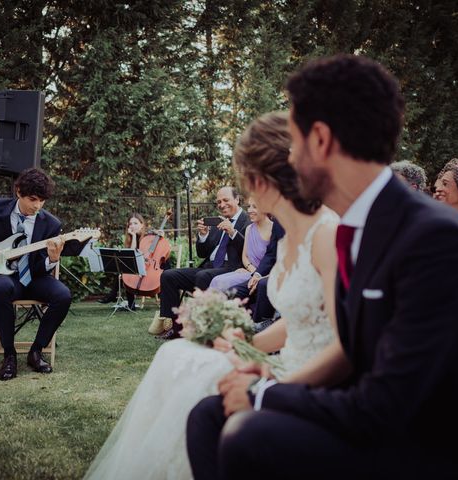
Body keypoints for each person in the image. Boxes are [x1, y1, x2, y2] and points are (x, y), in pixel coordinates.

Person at [187, 54, 458, 480]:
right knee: (208, 416)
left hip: (430, 446)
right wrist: (272, 372)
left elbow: (385, 404)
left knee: (249, 433)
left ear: (321, 139)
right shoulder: (364, 226)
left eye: (294, 143)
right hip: (377, 419)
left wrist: (266, 395)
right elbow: (357, 349)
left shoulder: (432, 239)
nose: (290, 160)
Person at [84, 111, 339, 480]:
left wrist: (267, 376)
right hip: (281, 360)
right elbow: (297, 321)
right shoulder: (290, 235)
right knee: (178, 354)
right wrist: (246, 339)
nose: (248, 193)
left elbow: (343, 337)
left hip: (310, 378)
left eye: (250, 180)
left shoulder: (328, 234)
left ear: (268, 177)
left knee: (191, 374)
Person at [0, 168, 73, 381]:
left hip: (35, 277)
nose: (37, 206)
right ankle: (9, 355)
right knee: (1, 287)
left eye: (42, 201)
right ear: (18, 191)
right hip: (4, 275)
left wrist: (52, 259)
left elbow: (41, 266)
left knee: (63, 295)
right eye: (33, 199)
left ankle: (36, 351)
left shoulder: (51, 224)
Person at [151, 187, 250, 340]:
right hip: (209, 267)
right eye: (218, 202)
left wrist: (232, 232)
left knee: (203, 276)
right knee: (168, 275)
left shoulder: (247, 220)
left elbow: (249, 248)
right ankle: (175, 329)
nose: (221, 204)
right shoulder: (218, 222)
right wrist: (203, 236)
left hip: (232, 269)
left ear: (237, 199)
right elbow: (202, 253)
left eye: (225, 200)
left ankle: (201, 327)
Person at [208, 197, 272, 291]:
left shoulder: (275, 230)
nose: (250, 210)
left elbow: (275, 260)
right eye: (249, 206)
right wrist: (251, 270)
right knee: (216, 280)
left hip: (265, 275)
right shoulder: (249, 229)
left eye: (255, 207)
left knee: (221, 283)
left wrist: (257, 274)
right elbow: (245, 257)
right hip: (250, 271)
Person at [231, 220, 285, 327]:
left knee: (263, 284)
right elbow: (271, 254)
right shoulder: (278, 222)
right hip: (270, 271)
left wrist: (269, 275)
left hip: (292, 271)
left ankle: (260, 325)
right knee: (233, 292)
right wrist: (257, 274)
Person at [97, 213, 147, 310]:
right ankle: (127, 303)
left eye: (135, 223)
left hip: (145, 268)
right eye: (130, 224)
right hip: (134, 268)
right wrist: (132, 236)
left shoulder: (147, 238)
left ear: (142, 225)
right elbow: (130, 256)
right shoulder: (131, 238)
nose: (132, 226)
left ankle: (113, 296)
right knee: (123, 269)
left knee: (126, 272)